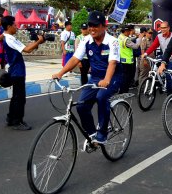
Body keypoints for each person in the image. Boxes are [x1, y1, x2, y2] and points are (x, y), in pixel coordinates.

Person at [52, 11, 122, 144]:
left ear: (103, 27)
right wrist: (61, 73)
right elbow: (75, 58)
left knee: (101, 97)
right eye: (90, 25)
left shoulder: (112, 42)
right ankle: (92, 134)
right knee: (81, 106)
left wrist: (107, 80)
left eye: (95, 26)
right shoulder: (86, 40)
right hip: (95, 77)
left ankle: (102, 133)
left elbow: (112, 63)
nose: (92, 29)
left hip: (113, 76)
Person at [2, 16, 45, 130]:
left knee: (15, 97)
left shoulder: (9, 37)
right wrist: (39, 41)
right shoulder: (10, 39)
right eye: (15, 25)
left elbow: (26, 48)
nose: (16, 27)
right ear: (9, 26)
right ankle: (17, 121)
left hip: (16, 70)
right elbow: (27, 49)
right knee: (20, 98)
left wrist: (37, 42)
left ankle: (11, 118)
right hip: (17, 71)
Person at [142, 21, 172, 94]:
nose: (163, 29)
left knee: (169, 75)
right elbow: (153, 46)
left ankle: (170, 94)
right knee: (155, 63)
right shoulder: (159, 36)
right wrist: (146, 53)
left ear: (168, 28)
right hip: (165, 56)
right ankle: (159, 80)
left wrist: (171, 55)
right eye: (161, 28)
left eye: (165, 28)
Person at [118, 25, 143, 93]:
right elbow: (136, 46)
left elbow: (129, 40)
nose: (130, 33)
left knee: (124, 77)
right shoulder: (126, 39)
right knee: (127, 77)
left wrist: (136, 37)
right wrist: (140, 38)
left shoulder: (120, 36)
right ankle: (124, 92)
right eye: (129, 31)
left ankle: (122, 91)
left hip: (122, 59)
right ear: (126, 31)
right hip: (127, 61)